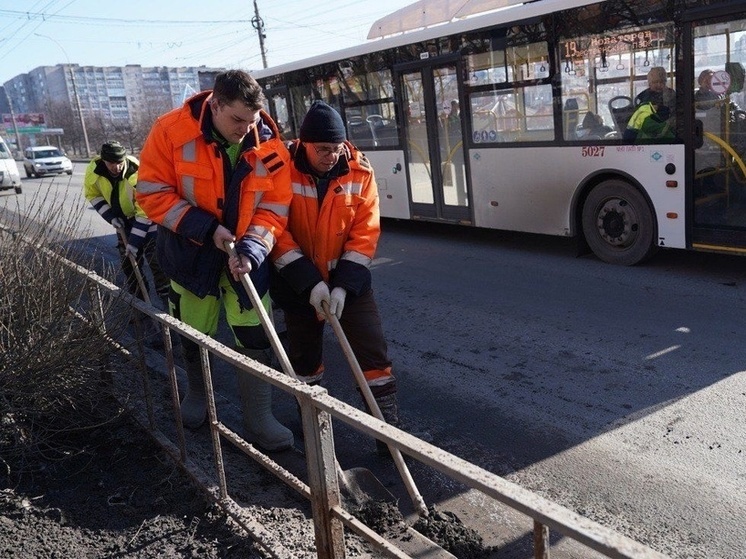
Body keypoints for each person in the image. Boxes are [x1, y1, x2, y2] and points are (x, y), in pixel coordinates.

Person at [135, 70, 294, 451]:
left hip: (245, 260)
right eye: (237, 120)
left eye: (251, 121)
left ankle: (258, 417)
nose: (245, 129)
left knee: (255, 334)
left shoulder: (270, 145)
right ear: (215, 104)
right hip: (191, 256)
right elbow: (152, 193)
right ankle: (197, 396)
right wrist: (208, 230)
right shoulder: (171, 131)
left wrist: (254, 249)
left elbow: (275, 207)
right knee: (194, 330)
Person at [263, 100, 398, 456]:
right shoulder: (279, 169)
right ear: (303, 143)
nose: (330, 156)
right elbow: (274, 230)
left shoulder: (359, 171)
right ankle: (311, 422)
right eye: (322, 149)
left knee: (372, 353)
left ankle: (389, 432)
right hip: (296, 283)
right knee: (305, 359)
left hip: (348, 283)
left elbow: (365, 232)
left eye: (336, 149)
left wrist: (343, 284)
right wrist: (309, 282)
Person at [83, 140, 169, 345]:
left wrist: (134, 242)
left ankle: (170, 317)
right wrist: (111, 217)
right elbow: (93, 195)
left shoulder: (136, 173)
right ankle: (143, 314)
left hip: (150, 223)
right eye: (112, 163)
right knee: (131, 269)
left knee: (159, 266)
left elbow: (146, 210)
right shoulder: (94, 171)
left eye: (120, 162)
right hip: (123, 222)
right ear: (104, 161)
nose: (117, 166)